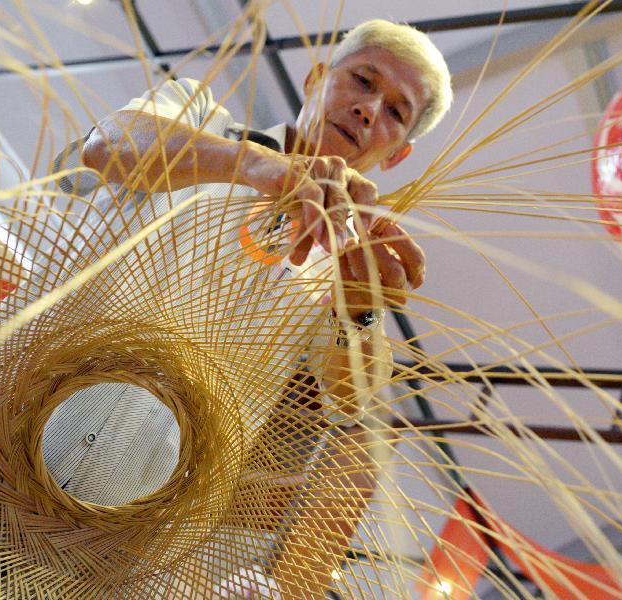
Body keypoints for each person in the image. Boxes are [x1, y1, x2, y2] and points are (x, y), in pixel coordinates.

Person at [52, 18, 452, 599]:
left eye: (395, 111)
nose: (369, 110)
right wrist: (257, 166)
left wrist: (360, 314)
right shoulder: (200, 119)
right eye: (363, 81)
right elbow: (105, 146)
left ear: (398, 154)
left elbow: (356, 403)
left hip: (121, 533)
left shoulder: (351, 263)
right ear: (316, 79)